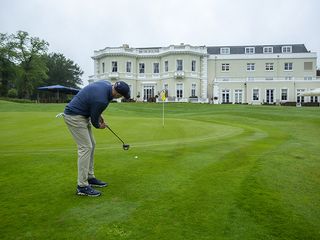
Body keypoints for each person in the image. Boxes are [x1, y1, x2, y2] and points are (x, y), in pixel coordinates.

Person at [63, 80, 130, 197]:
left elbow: (94, 105)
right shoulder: (102, 100)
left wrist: (99, 114)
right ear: (117, 93)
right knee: (85, 147)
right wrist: (101, 125)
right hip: (74, 116)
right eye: (121, 96)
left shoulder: (106, 84)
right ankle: (82, 186)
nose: (120, 97)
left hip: (82, 114)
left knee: (92, 144)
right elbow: (95, 122)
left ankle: (89, 177)